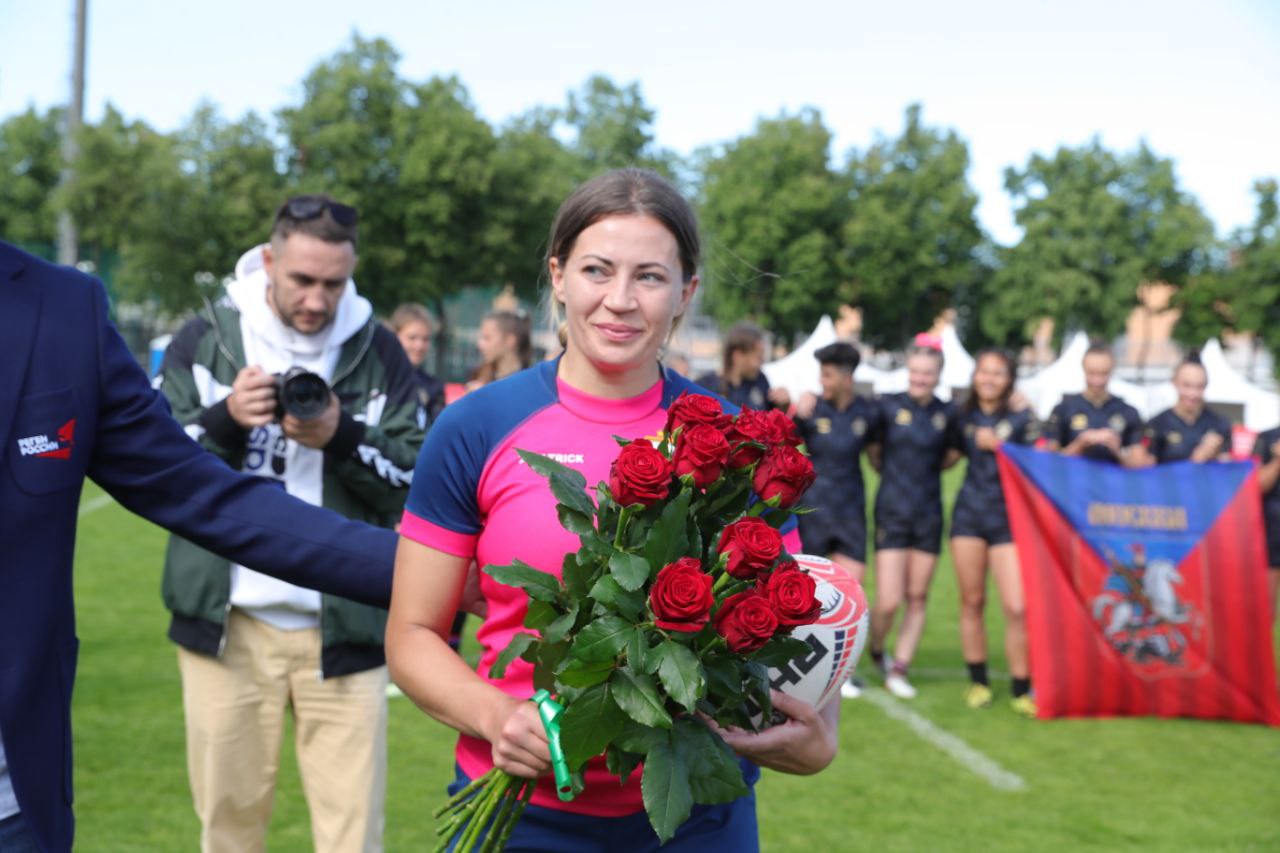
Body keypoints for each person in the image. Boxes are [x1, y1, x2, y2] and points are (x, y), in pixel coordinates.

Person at [385, 168, 837, 852]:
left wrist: (819, 735)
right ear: (559, 276)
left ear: (686, 292)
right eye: (597, 270)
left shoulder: (739, 442)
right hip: (522, 814)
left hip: (696, 819)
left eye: (649, 277)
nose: (620, 300)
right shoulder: (476, 425)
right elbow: (412, 632)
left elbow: (783, 622)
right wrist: (496, 715)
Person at [0, 239, 398, 853]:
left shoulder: (61, 306)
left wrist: (422, 569)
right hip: (222, 630)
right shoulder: (203, 336)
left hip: (12, 805)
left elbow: (202, 493)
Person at [156, 195, 424, 853]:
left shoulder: (377, 346)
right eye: (302, 279)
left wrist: (341, 434)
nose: (317, 299)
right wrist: (224, 419)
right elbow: (155, 469)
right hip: (229, 624)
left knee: (353, 836)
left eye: (334, 283)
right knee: (228, 830)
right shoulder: (208, 337)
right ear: (269, 262)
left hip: (347, 626)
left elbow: (414, 482)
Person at [949, 348, 1040, 718]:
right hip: (969, 517)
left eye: (998, 373)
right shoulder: (961, 416)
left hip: (1008, 520)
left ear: (1010, 379)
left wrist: (1001, 446)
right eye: (983, 371)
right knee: (972, 602)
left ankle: (1021, 688)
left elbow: (1039, 458)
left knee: (1017, 607)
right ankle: (979, 682)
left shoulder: (1021, 416)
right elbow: (945, 453)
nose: (989, 378)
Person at [866, 342, 961, 700]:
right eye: (916, 372)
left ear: (938, 376)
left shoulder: (948, 413)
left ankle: (899, 668)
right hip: (892, 510)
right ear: (908, 371)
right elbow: (874, 453)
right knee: (889, 600)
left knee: (917, 596)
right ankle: (877, 648)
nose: (920, 379)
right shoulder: (888, 407)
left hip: (929, 513)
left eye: (928, 373)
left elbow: (952, 456)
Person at [792, 342, 879, 699]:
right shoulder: (810, 409)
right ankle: (802, 671)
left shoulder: (869, 413)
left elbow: (880, 454)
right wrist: (795, 409)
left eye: (827, 375)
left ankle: (845, 674)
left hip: (851, 513)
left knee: (852, 597)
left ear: (847, 377)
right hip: (813, 512)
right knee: (807, 596)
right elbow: (781, 441)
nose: (822, 381)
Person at [1044, 343, 1144, 465]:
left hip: (1111, 477)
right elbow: (1049, 462)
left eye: (1104, 374)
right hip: (1075, 477)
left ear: (1112, 370)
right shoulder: (1063, 409)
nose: (1097, 380)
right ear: (1083, 369)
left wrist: (1117, 450)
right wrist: (1079, 445)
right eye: (1092, 373)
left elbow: (1140, 466)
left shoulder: (1128, 411)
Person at [1143, 356, 1232, 465]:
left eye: (1199, 386)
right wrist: (1196, 460)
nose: (1192, 394)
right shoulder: (1157, 424)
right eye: (1186, 385)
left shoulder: (1220, 423)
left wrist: (1216, 455)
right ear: (1174, 383)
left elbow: (1229, 467)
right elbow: (1147, 469)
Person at [696, 323, 791, 412]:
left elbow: (772, 417)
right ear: (738, 356)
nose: (762, 362)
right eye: (758, 357)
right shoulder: (704, 387)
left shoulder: (761, 380)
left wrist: (782, 405)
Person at [388, 302, 447, 426]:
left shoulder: (433, 387)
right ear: (394, 336)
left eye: (425, 339)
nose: (419, 346)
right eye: (412, 337)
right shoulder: (378, 378)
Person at [467, 309, 533, 390]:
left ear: (510, 340)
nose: (480, 344)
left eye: (487, 338)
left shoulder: (527, 382)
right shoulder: (479, 375)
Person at [1253, 426, 1280, 617]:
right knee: (1266, 607)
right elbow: (1258, 485)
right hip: (1272, 528)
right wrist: (1278, 459)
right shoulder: (1267, 437)